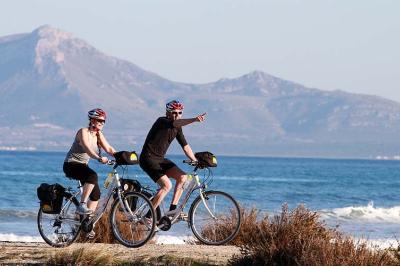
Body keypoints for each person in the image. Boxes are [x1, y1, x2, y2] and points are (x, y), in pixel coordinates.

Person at [139, 100, 206, 218]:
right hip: (147, 159)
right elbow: (175, 123)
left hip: (160, 159)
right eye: (174, 112)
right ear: (167, 112)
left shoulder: (178, 128)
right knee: (167, 186)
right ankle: (148, 216)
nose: (177, 115)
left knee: (183, 177)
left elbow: (185, 146)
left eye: (180, 113)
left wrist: (195, 160)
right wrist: (194, 120)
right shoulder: (162, 121)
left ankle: (172, 210)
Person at [63, 108, 116, 218]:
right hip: (71, 164)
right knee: (92, 176)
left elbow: (109, 149)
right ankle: (82, 205)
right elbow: (87, 149)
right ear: (92, 120)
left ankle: (86, 223)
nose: (102, 123)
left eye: (103, 121)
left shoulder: (98, 134)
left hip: (82, 166)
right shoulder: (83, 132)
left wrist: (123, 156)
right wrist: (98, 158)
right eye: (99, 120)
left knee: (96, 195)